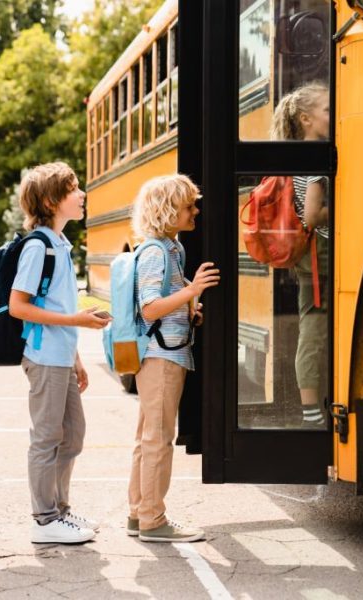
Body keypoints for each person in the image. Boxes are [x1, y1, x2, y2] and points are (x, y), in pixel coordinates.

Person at [9, 162, 111, 544]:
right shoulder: (38, 246)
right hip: (44, 358)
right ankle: (44, 519)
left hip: (61, 357)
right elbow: (18, 306)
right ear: (52, 201)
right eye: (74, 189)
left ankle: (59, 511)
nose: (82, 194)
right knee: (47, 437)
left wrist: (77, 358)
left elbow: (56, 304)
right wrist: (77, 321)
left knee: (73, 437)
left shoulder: (59, 244)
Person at [127, 174, 219, 543]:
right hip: (160, 357)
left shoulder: (172, 249)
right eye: (188, 206)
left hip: (166, 352)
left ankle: (139, 513)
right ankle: (153, 520)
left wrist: (190, 310)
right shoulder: (154, 252)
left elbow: (167, 302)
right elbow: (149, 309)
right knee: (158, 439)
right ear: (167, 210)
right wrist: (193, 290)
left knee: (148, 437)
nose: (195, 211)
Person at [271, 82, 330, 428]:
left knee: (313, 324)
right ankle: (311, 410)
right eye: (326, 110)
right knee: (314, 328)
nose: (331, 116)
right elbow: (312, 215)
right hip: (320, 249)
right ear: (307, 119)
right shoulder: (316, 157)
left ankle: (312, 405)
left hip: (308, 254)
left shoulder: (299, 154)